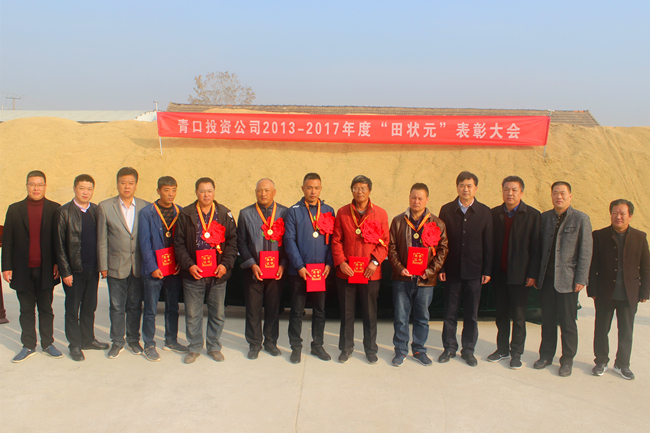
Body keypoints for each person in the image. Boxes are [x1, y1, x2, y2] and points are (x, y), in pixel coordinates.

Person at [174, 177, 237, 364]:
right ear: (196, 193)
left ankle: (214, 346)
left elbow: (232, 243)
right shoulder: (186, 214)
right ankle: (194, 347)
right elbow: (178, 244)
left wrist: (225, 264)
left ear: (214, 192)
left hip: (218, 274)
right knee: (193, 314)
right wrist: (189, 265)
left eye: (209, 191)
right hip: (194, 273)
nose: (206, 195)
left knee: (217, 313)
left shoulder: (225, 214)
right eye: (202, 191)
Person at [2, 170, 62, 362]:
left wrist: (58, 263)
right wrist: (6, 266)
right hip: (22, 270)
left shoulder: (55, 209)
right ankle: (28, 345)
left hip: (46, 270)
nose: (36, 188)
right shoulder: (14, 209)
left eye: (40, 184)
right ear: (27, 186)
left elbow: (58, 240)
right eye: (32, 184)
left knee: (46, 309)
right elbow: (8, 240)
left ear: (45, 186)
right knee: (26, 311)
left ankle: (48, 344)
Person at [535, 181, 592, 377]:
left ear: (570, 196)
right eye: (555, 193)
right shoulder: (544, 218)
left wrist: (581, 278)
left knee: (568, 323)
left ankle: (567, 360)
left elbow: (586, 251)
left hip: (568, 281)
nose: (559, 196)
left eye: (562, 193)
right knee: (548, 321)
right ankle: (545, 356)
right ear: (551, 195)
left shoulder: (581, 219)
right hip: (546, 280)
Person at [388, 183, 448, 367]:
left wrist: (429, 271)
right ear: (409, 198)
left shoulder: (437, 223)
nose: (416, 201)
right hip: (402, 278)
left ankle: (419, 350)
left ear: (427, 200)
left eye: (420, 198)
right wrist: (399, 268)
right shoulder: (398, 221)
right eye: (413, 197)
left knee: (422, 318)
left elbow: (443, 250)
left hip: (425, 280)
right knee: (401, 317)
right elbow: (391, 249)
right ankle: (400, 350)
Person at [588, 199, 650, 380]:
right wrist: (592, 289)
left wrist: (645, 292)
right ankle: (601, 361)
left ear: (630, 216)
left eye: (622, 213)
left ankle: (622, 365)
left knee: (626, 331)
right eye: (615, 213)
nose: (618, 216)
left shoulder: (640, 237)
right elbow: (593, 264)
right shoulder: (599, 235)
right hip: (605, 292)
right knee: (601, 329)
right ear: (611, 214)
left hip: (629, 293)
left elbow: (646, 268)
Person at [332, 175, 389, 364]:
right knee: (346, 313)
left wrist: (375, 262)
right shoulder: (342, 213)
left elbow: (385, 242)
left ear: (369, 190)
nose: (359, 191)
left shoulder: (380, 214)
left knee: (370, 313)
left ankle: (370, 349)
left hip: (369, 273)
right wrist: (341, 262)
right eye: (356, 188)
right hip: (346, 273)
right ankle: (346, 348)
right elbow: (336, 240)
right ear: (352, 191)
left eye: (363, 188)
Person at [437, 171, 493, 367]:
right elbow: (441, 242)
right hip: (451, 271)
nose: (465, 189)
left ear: (475, 188)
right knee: (449, 313)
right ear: (457, 187)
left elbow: (489, 244)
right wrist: (441, 267)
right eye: (462, 185)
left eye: (469, 185)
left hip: (474, 273)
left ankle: (468, 350)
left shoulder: (485, 212)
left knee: (471, 314)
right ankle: (449, 348)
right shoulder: (446, 210)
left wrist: (487, 270)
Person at [487, 176, 541, 369]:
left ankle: (516, 353)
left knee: (518, 317)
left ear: (521, 193)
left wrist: (532, 274)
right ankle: (502, 349)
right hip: (500, 274)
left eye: (514, 190)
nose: (510, 193)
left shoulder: (533, 215)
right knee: (501, 315)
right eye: (506, 189)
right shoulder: (494, 214)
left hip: (520, 275)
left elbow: (536, 248)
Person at [54, 174, 109, 361]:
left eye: (89, 189)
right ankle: (75, 345)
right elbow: (59, 245)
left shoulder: (96, 210)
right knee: (72, 309)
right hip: (74, 271)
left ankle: (88, 339)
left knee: (89, 307)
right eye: (82, 188)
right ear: (74, 189)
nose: (85, 192)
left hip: (92, 269)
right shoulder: (64, 212)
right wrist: (65, 271)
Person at [97, 167, 149, 359]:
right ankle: (117, 341)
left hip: (138, 266)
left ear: (136, 184)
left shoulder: (145, 206)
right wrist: (103, 265)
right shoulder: (105, 206)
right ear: (117, 184)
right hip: (115, 265)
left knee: (135, 305)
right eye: (123, 183)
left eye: (130, 183)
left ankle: (134, 340)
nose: (127, 186)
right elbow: (102, 239)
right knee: (117, 306)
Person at [284, 173, 336, 363]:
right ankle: (296, 347)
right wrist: (299, 266)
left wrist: (329, 263)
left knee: (320, 311)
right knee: (297, 311)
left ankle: (317, 345)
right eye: (309, 187)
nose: (313, 191)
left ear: (320, 189)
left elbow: (333, 241)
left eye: (316, 187)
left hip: (321, 272)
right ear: (303, 189)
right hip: (300, 272)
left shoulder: (328, 211)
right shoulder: (294, 211)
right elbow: (289, 240)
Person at [138, 176, 188, 362]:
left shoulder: (180, 211)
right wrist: (152, 267)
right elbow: (144, 244)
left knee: (173, 306)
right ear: (158, 191)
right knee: (151, 308)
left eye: (174, 190)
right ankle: (149, 344)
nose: (170, 194)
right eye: (167, 190)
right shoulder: (147, 213)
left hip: (173, 268)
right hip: (154, 269)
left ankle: (171, 340)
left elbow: (183, 241)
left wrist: (180, 262)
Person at [237, 178, 288, 360]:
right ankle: (254, 343)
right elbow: (241, 243)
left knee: (273, 308)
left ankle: (271, 342)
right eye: (260, 190)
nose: (263, 193)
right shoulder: (245, 214)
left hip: (276, 271)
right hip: (254, 270)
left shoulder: (284, 213)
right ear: (255, 192)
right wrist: (252, 264)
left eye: (267, 190)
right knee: (253, 308)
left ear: (274, 192)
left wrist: (283, 264)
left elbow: (289, 242)